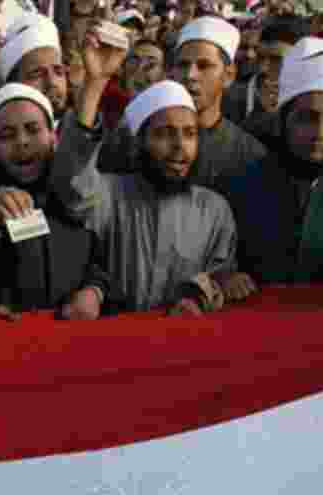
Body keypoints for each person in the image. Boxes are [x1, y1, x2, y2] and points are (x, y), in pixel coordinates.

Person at [49, 29, 238, 315]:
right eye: (164, 134)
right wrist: (96, 83)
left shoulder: (214, 211)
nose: (179, 146)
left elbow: (220, 277)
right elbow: (73, 187)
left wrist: (199, 297)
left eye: (189, 134)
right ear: (139, 142)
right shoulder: (110, 195)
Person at [0, 84, 117, 317]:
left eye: (32, 129)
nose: (22, 142)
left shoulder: (76, 193)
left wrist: (95, 291)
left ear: (53, 136)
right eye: (7, 135)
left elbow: (104, 262)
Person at [220, 38, 323, 298]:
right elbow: (218, 260)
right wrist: (226, 276)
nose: (319, 133)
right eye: (307, 118)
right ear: (284, 118)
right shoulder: (241, 183)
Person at [100, 14, 267, 187]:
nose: (190, 75)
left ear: (229, 75)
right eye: (183, 65)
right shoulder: (134, 139)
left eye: (204, 66)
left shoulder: (250, 156)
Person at [0, 14, 68, 165]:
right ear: (11, 84)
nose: (52, 82)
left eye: (58, 71)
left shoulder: (87, 127)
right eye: (37, 74)